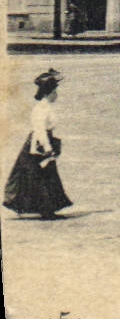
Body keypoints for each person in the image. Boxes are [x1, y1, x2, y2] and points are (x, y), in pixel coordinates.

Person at [5, 68, 72, 220]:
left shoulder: (45, 107)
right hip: (38, 147)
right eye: (55, 91)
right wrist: (48, 149)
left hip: (41, 144)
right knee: (40, 178)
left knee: (43, 177)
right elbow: (40, 130)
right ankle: (46, 211)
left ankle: (47, 210)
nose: (56, 95)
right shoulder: (41, 108)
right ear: (49, 92)